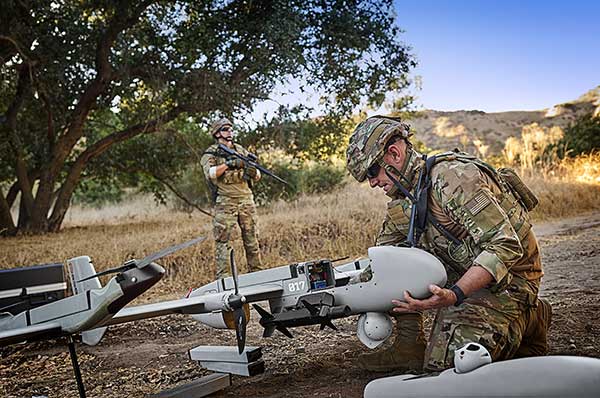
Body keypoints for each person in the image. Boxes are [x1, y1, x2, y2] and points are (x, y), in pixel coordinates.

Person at [345, 115, 552, 373]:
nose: (372, 182)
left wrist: (454, 295)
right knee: (394, 264)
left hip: (510, 282)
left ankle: (529, 317)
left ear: (394, 153)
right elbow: (381, 266)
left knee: (450, 367)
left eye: (372, 171)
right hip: (466, 277)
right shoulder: (404, 199)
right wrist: (343, 295)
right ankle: (409, 347)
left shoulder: (453, 179)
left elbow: (505, 245)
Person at [200, 117, 264, 279]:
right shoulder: (211, 153)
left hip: (246, 200)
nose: (230, 132)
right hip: (226, 201)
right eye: (225, 129)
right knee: (223, 241)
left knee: (252, 239)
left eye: (230, 129)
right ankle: (225, 280)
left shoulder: (241, 150)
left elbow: (257, 176)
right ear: (217, 133)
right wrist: (229, 164)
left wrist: (252, 171)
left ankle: (257, 275)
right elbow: (211, 173)